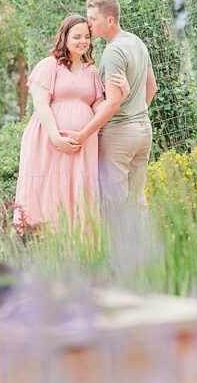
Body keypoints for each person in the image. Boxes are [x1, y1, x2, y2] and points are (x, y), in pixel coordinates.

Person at [14, 15, 127, 234]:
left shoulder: (91, 71)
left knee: (79, 191)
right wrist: (56, 137)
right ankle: (39, 240)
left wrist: (120, 96)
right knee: (48, 188)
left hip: (83, 144)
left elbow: (99, 109)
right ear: (64, 37)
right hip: (48, 141)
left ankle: (77, 249)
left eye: (87, 36)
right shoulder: (49, 65)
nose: (83, 41)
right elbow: (41, 105)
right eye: (77, 36)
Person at [65, 0, 157, 219]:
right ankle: (145, 252)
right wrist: (135, 116)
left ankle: (121, 254)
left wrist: (83, 134)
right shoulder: (136, 41)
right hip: (143, 131)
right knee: (137, 202)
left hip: (119, 136)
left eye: (93, 19)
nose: (89, 24)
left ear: (110, 20)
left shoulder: (113, 51)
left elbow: (113, 103)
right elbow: (152, 87)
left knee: (115, 207)